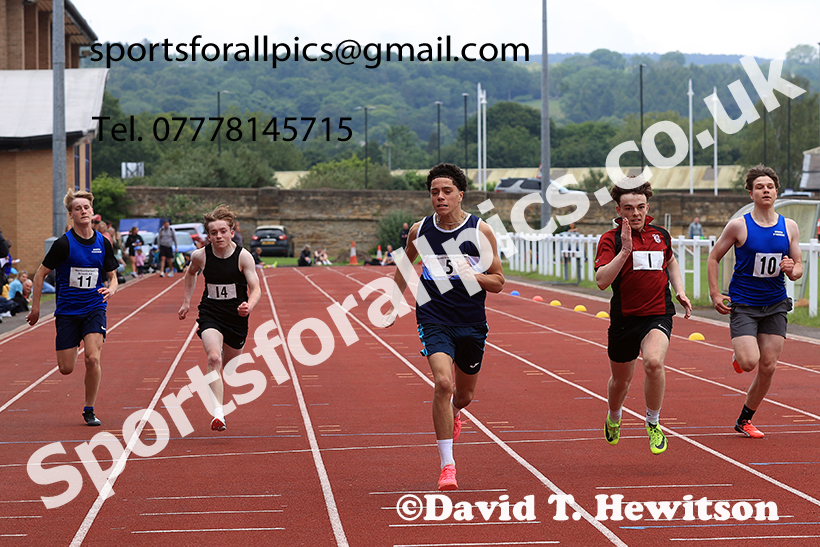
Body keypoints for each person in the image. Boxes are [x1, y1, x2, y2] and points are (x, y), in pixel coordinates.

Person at [384, 163, 505, 491]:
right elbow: (405, 262)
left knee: (463, 395)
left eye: (447, 191)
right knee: (442, 383)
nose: (440, 197)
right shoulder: (420, 231)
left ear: (460, 194)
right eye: (435, 192)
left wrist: (474, 276)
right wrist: (395, 302)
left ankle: (455, 413)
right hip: (433, 317)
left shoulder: (480, 231)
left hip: (471, 323)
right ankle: (447, 465)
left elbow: (498, 282)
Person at [594, 177, 692, 455]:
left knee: (652, 363)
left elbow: (670, 260)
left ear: (648, 207)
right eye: (628, 208)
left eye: (640, 207)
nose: (635, 213)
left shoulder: (660, 234)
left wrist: (680, 290)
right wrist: (625, 250)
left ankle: (653, 423)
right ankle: (614, 416)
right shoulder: (609, 240)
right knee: (620, 381)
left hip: (658, 313)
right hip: (624, 318)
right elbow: (602, 281)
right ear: (618, 210)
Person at [707, 165, 803, 439]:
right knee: (750, 362)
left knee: (768, 366)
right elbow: (713, 257)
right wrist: (715, 294)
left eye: (770, 187)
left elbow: (797, 268)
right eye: (760, 187)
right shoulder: (739, 225)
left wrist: (790, 269)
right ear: (751, 193)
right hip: (745, 304)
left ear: (776, 191)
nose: (765, 191)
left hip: (775, 303)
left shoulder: (789, 227)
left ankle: (745, 419)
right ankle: (740, 355)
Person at [26, 189, 119, 426]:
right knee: (66, 368)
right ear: (71, 214)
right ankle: (73, 341)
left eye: (86, 207)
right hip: (67, 311)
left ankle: (89, 409)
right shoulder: (63, 244)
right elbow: (39, 275)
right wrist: (36, 308)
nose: (83, 211)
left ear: (92, 211)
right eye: (78, 208)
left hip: (94, 307)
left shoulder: (103, 242)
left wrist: (112, 288)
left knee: (92, 359)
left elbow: (113, 276)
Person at [178, 206, 261, 431]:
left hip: (236, 317)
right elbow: (190, 273)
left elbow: (256, 288)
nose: (218, 236)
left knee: (231, 368)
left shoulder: (243, 257)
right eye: (214, 233)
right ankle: (218, 413)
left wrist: (249, 306)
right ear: (208, 235)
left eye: (223, 231)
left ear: (231, 232)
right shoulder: (201, 255)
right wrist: (186, 302)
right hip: (210, 313)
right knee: (214, 358)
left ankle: (225, 361)